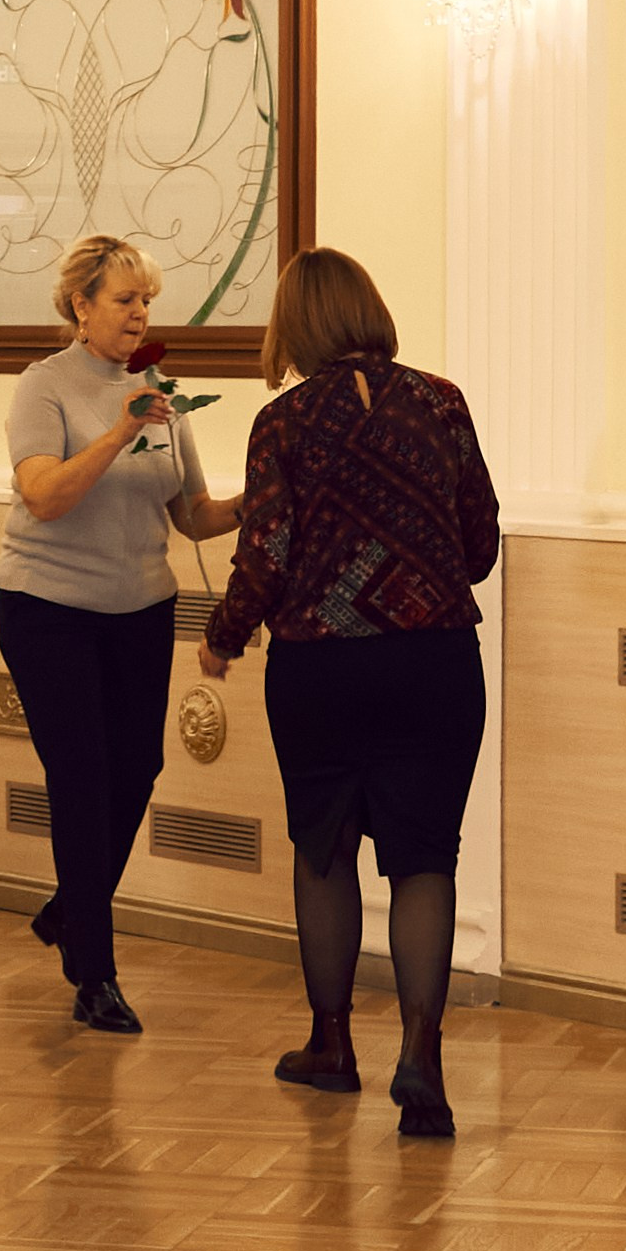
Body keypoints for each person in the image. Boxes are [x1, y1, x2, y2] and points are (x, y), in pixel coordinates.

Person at [198, 248, 499, 1143]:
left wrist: (222, 635)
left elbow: (267, 554)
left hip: (322, 669)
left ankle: (331, 1045)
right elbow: (478, 539)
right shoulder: (441, 402)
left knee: (322, 846)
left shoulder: (281, 421)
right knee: (424, 858)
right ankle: (424, 1059)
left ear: (295, 325)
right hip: (434, 661)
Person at [0, 232, 243, 1035]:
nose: (141, 314)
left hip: (141, 606)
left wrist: (268, 494)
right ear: (81, 306)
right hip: (47, 608)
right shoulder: (44, 387)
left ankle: (73, 905)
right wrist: (118, 432)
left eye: (148, 301)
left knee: (138, 763)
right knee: (83, 776)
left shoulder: (161, 389)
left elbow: (194, 516)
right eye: (125, 299)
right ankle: (93, 973)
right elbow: (45, 498)